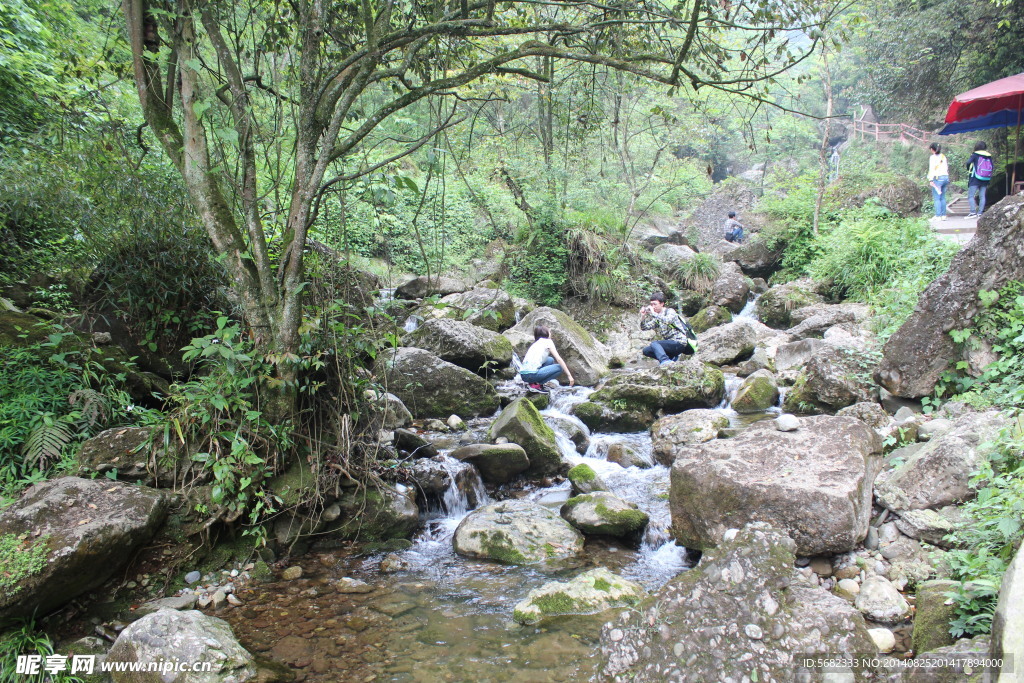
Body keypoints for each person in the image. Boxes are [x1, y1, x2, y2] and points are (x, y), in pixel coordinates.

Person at [639, 292, 698, 366]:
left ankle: (665, 361)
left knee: (655, 343)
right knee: (646, 350)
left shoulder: (670, 311)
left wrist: (653, 313)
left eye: (655, 304)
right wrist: (643, 316)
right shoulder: (658, 317)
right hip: (670, 344)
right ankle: (670, 358)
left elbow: (668, 320)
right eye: (651, 304)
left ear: (662, 304)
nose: (653, 307)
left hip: (679, 342)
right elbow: (644, 327)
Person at [518, 325, 574, 392]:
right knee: (559, 367)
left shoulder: (536, 343)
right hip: (532, 374)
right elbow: (558, 359)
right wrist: (569, 375)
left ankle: (532, 383)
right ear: (546, 333)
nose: (551, 333)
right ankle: (537, 384)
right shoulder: (548, 341)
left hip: (523, 375)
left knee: (550, 359)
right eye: (549, 331)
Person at [966, 141, 994, 218]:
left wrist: (969, 169)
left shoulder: (975, 155)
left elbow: (968, 162)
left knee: (971, 196)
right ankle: (980, 213)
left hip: (975, 177)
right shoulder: (988, 156)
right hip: (985, 178)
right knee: (982, 196)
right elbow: (992, 166)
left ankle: (973, 212)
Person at [927, 143, 949, 220]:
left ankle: (938, 215)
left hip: (937, 178)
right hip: (945, 178)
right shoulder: (943, 156)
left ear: (932, 149)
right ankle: (943, 216)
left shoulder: (932, 158)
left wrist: (930, 179)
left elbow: (931, 169)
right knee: (942, 197)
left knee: (937, 198)